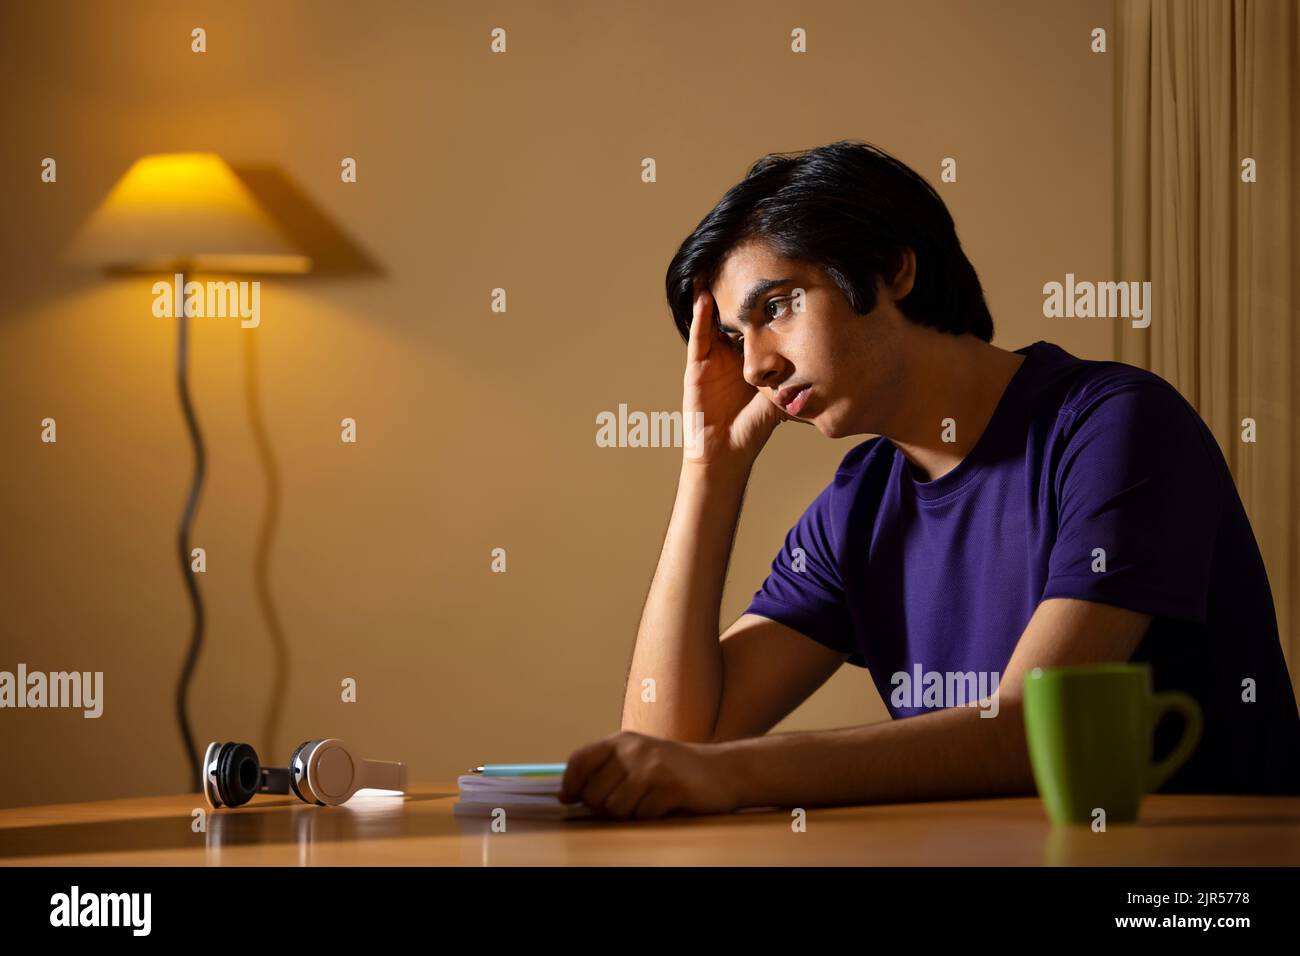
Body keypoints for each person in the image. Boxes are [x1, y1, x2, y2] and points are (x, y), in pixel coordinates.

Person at [558, 140, 1300, 819]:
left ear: (892, 269)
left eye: (775, 308)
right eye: (732, 337)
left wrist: (737, 775)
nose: (753, 366)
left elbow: (1028, 734)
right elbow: (668, 744)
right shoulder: (860, 503)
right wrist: (710, 468)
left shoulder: (1115, 426)